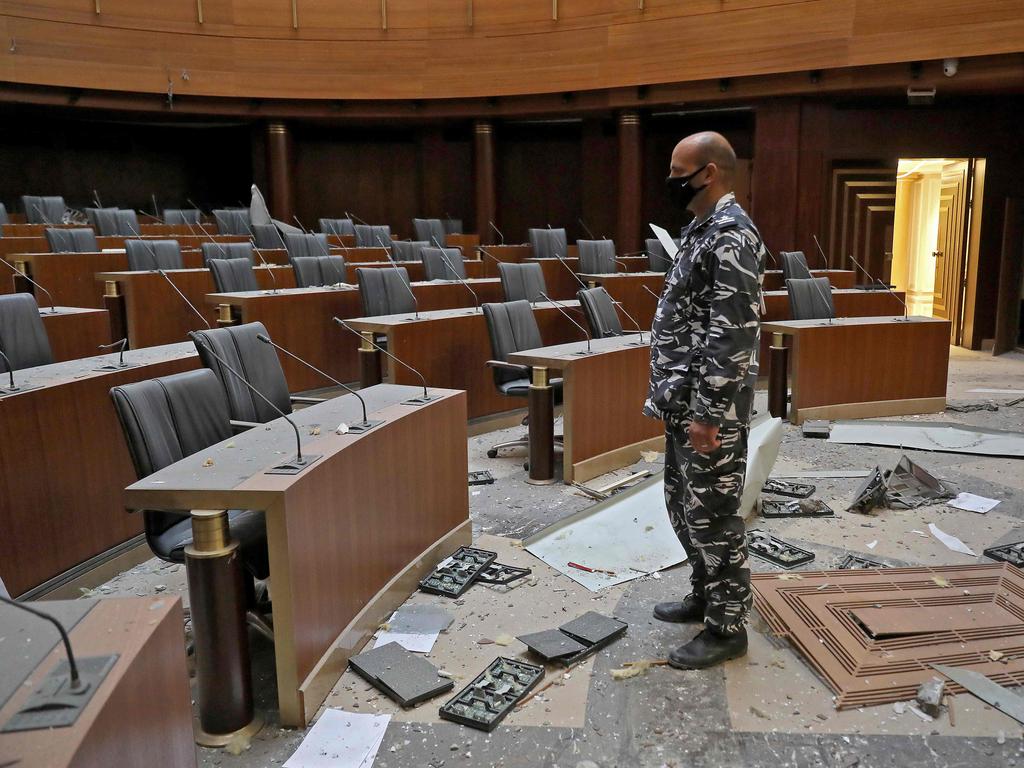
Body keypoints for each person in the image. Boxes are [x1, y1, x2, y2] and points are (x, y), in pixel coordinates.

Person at [644, 131, 767, 669]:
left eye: (678, 170)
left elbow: (731, 334)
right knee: (685, 508)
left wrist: (708, 414)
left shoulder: (733, 236)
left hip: (709, 411)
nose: (670, 181)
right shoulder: (700, 230)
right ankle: (704, 596)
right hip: (684, 404)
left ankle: (727, 628)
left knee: (714, 517)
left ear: (708, 173)